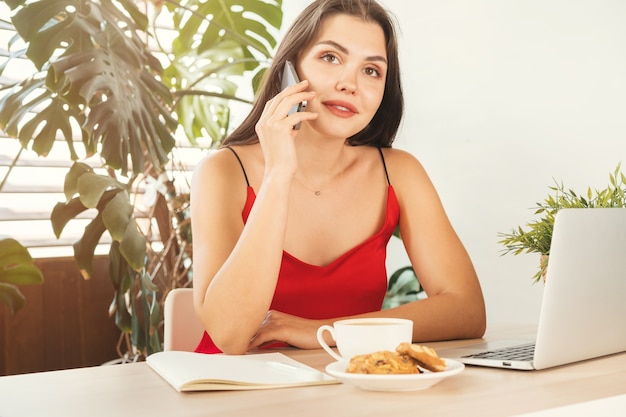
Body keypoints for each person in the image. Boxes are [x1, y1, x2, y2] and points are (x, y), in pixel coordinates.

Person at [190, 0, 486, 355]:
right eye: (330, 57)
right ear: (291, 68)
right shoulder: (223, 171)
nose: (350, 84)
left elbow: (467, 310)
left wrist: (324, 331)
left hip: (343, 390)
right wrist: (278, 175)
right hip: (233, 394)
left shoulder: (399, 173)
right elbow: (230, 334)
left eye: (372, 71)